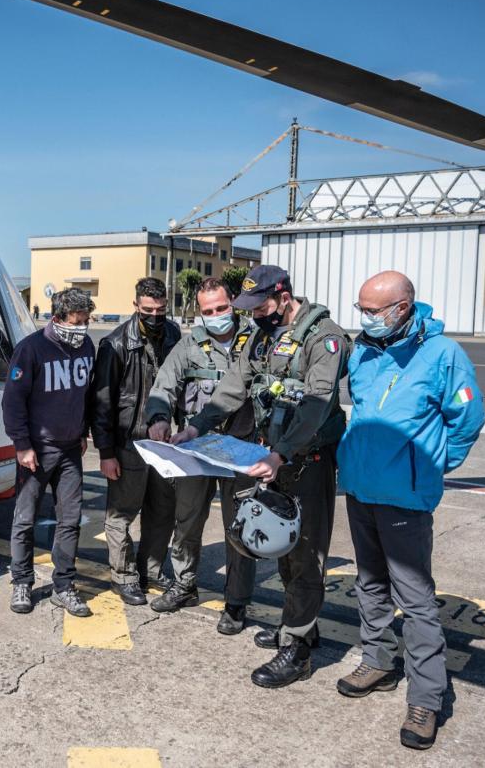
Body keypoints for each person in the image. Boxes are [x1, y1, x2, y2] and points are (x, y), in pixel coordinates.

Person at [173, 265, 349, 689]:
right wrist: (198, 426)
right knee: (283, 547)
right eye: (248, 309)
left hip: (306, 460)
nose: (254, 315)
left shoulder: (324, 337)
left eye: (262, 306)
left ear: (284, 295)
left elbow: (317, 404)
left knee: (306, 553)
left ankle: (298, 651)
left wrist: (281, 453)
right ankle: (300, 627)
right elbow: (234, 386)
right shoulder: (260, 334)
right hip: (272, 457)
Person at [336, 271, 485, 751]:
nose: (366, 319)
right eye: (361, 310)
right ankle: (378, 661)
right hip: (360, 489)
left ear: (403, 307)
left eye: (373, 311)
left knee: (416, 599)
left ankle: (426, 697)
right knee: (370, 584)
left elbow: (468, 416)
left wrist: (432, 464)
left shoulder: (444, 355)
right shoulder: (364, 350)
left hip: (406, 497)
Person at [144, 278, 257, 616]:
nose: (216, 315)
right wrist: (160, 416)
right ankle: (184, 585)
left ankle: (236, 602)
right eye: (208, 311)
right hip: (197, 447)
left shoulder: (256, 339)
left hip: (241, 449)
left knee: (240, 527)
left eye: (222, 308)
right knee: (188, 520)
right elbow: (165, 383)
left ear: (234, 302)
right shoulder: (190, 344)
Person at [3, 287, 97, 618]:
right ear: (57, 319)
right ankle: (21, 582)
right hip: (37, 450)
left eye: (86, 321)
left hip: (71, 449)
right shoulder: (31, 350)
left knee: (69, 520)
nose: (82, 328)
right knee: (25, 519)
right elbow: (12, 401)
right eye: (77, 322)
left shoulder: (86, 346)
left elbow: (84, 394)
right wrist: (22, 445)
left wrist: (83, 430)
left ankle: (64, 586)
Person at [91, 277, 181, 605]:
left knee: (162, 512)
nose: (155, 316)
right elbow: (101, 404)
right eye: (148, 310)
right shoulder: (115, 345)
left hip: (164, 443)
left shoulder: (172, 334)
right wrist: (106, 453)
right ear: (135, 307)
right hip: (129, 444)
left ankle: (151, 569)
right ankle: (124, 575)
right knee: (121, 514)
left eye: (161, 310)